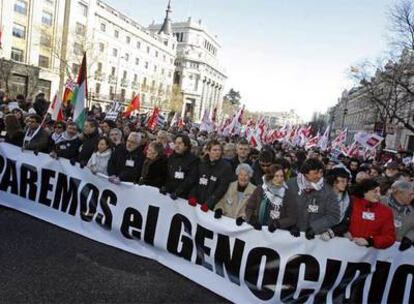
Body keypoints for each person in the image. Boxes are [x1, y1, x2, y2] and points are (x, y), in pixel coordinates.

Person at [285, 158, 340, 239]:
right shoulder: (290, 185)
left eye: (321, 172)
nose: (319, 175)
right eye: (316, 173)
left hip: (313, 239)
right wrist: (289, 224)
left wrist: (315, 228)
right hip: (290, 237)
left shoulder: (327, 190)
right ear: (305, 173)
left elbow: (334, 216)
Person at [333, 179, 396, 249]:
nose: (379, 195)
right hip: (342, 249)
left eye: (379, 192)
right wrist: (343, 232)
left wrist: (370, 241)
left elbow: (389, 236)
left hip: (367, 256)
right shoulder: (349, 203)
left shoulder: (386, 211)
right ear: (364, 192)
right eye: (375, 191)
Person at [245, 164, 296, 231]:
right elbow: (249, 207)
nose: (280, 179)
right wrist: (252, 219)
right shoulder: (260, 189)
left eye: (282, 176)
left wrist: (277, 224)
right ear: (270, 177)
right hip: (258, 231)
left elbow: (292, 218)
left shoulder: (287, 194)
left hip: (277, 233)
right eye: (276, 176)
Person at [188, 140, 233, 211]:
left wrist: (209, 203)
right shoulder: (201, 163)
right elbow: (194, 181)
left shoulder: (226, 167)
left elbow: (222, 188)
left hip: (211, 206)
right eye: (214, 150)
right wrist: (192, 196)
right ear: (208, 151)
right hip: (196, 202)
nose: (217, 152)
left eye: (219, 150)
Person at [162, 134, 199, 199]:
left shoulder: (193, 160)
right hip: (167, 193)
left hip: (182, 196)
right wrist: (165, 186)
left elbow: (190, 179)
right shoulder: (171, 157)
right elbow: (167, 174)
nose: (177, 145)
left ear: (186, 146)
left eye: (180, 143)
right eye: (175, 143)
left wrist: (178, 192)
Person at [381, 180, 414, 251]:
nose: (412, 197)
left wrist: (408, 238)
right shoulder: (381, 203)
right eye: (410, 194)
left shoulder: (411, 210)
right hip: (378, 248)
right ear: (399, 193)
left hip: (398, 250)